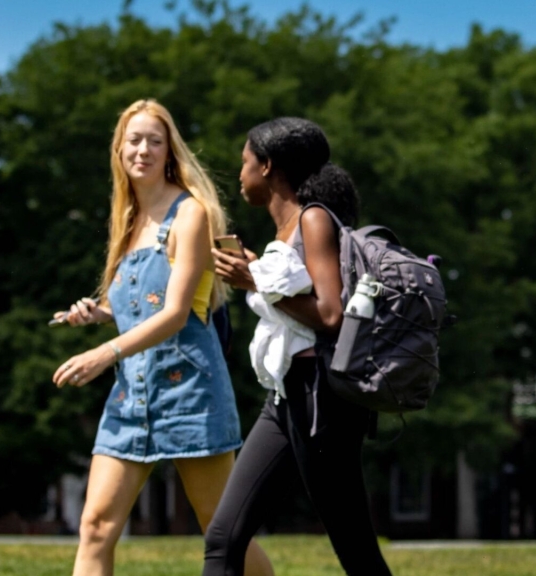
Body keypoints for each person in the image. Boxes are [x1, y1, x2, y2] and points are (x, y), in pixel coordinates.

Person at [51, 99, 273, 576]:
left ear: (170, 150)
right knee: (94, 527)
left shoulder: (189, 213)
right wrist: (99, 314)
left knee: (221, 528)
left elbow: (175, 313)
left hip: (190, 390)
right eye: (134, 140)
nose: (144, 150)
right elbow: (140, 302)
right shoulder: (128, 218)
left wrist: (102, 352)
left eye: (155, 140)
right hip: (132, 393)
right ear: (119, 150)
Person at [203, 117, 393, 576]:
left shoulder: (313, 218)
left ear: (267, 167)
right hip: (287, 396)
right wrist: (258, 272)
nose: (241, 173)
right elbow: (291, 300)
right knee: (224, 536)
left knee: (356, 550)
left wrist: (255, 281)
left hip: (321, 401)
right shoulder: (286, 231)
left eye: (245, 163)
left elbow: (330, 314)